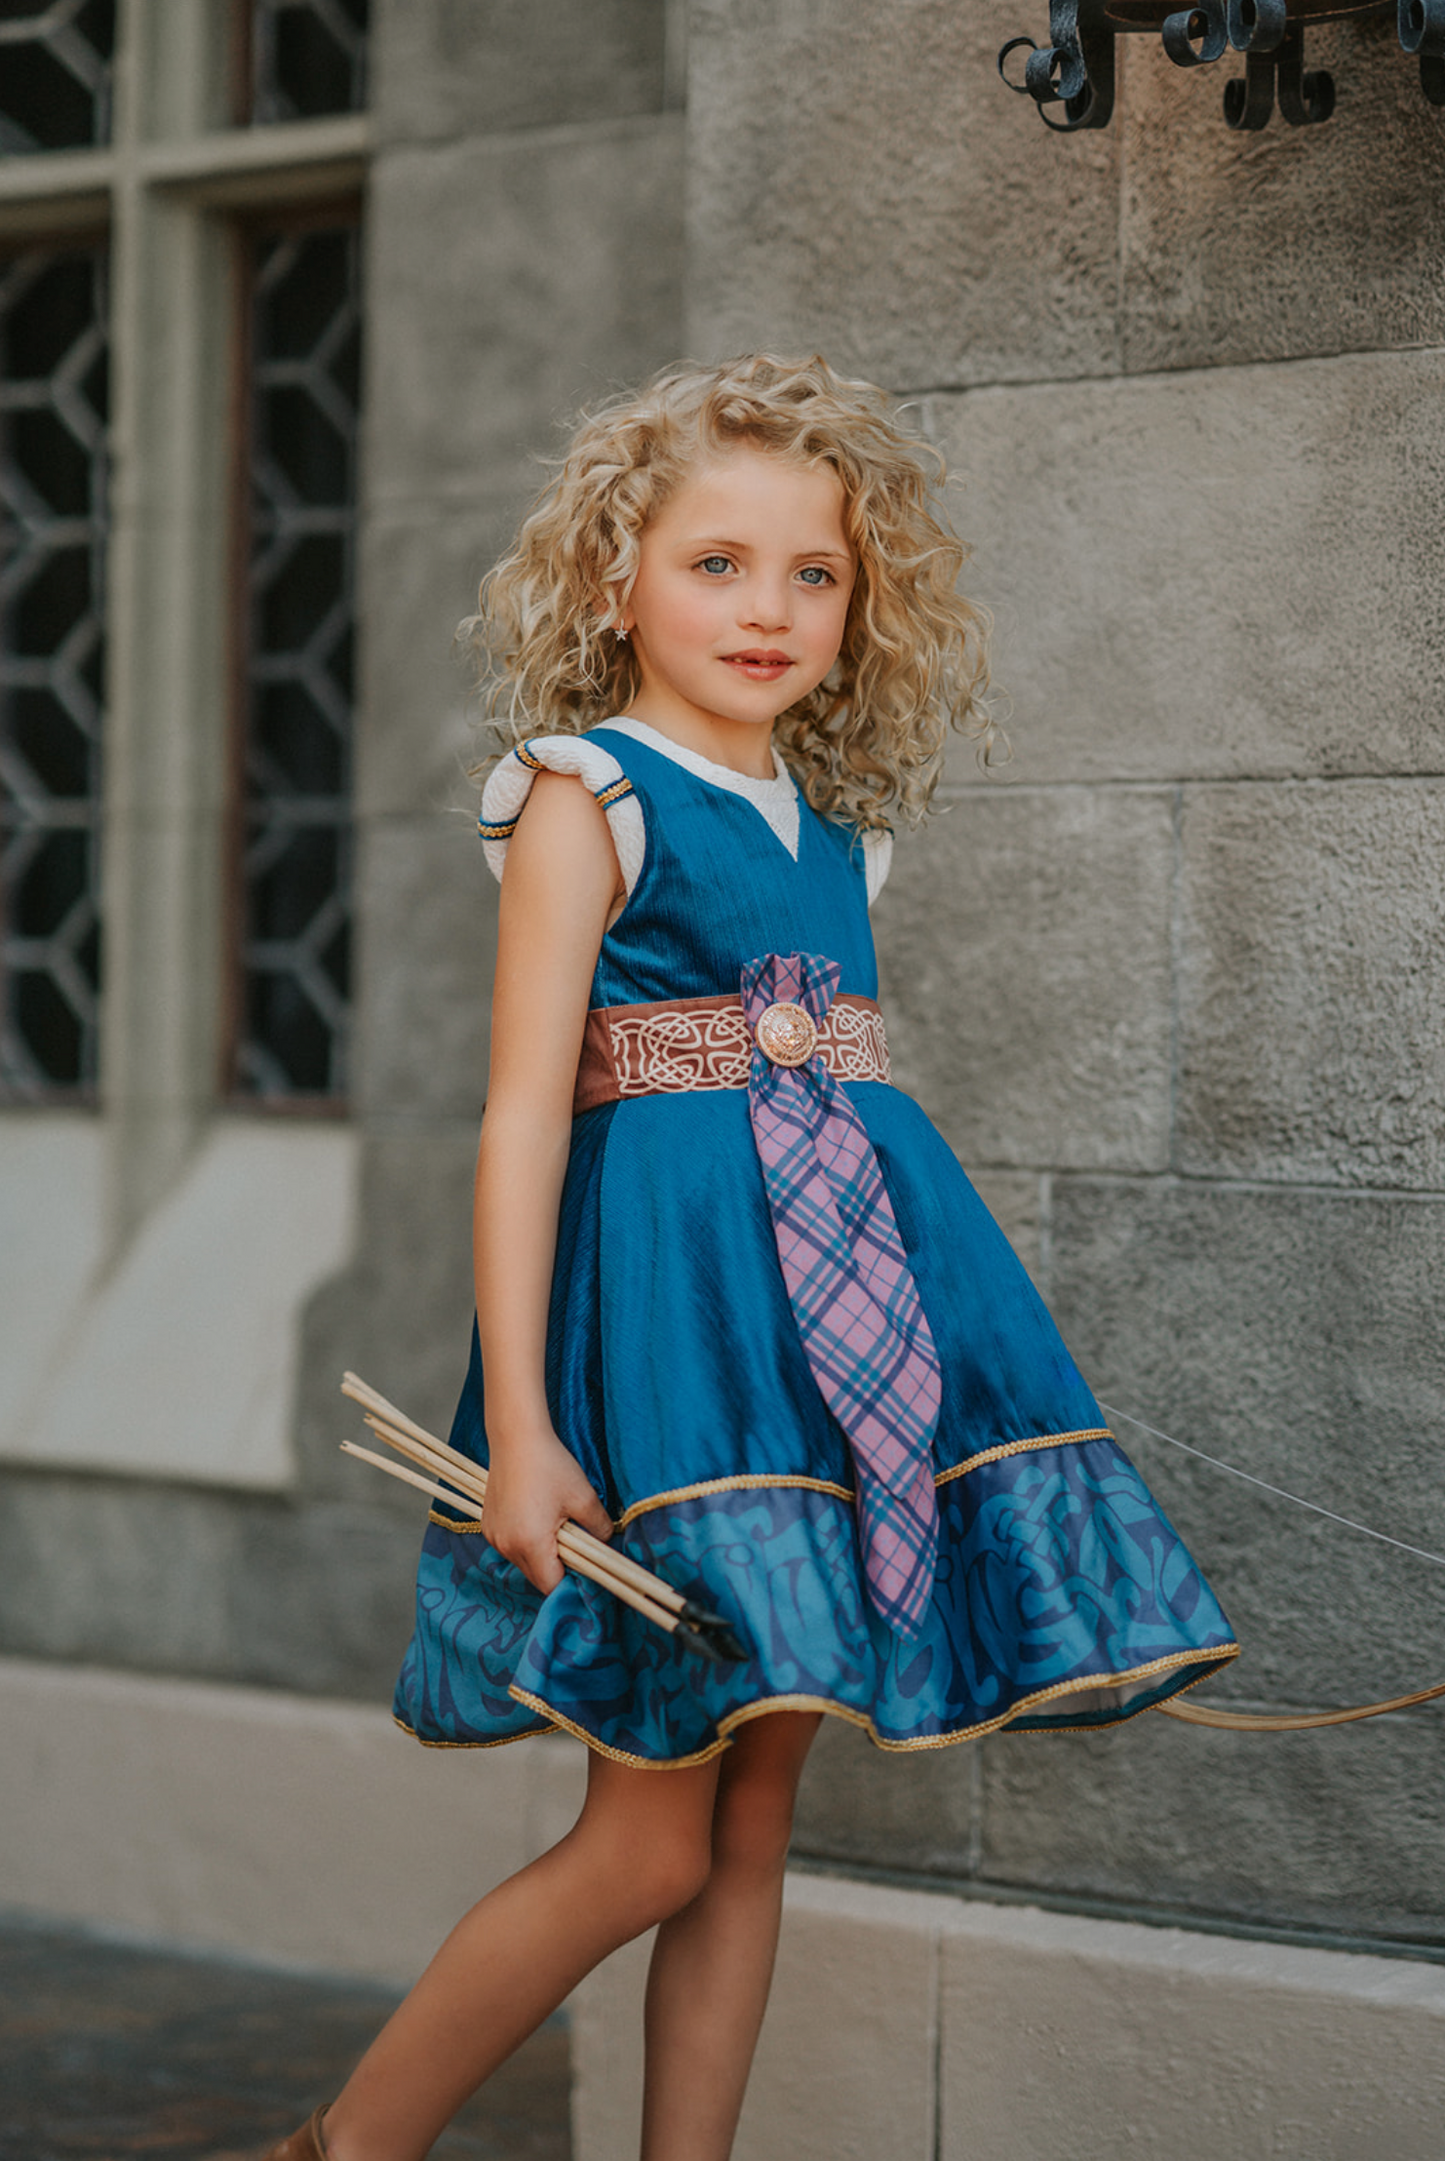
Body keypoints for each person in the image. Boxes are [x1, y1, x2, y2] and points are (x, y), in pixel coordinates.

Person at [260, 354, 1237, 2161]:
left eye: (816, 573)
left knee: (747, 1828)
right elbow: (527, 1120)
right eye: (716, 563)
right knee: (645, 1838)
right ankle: (343, 2151)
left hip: (837, 1343)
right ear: (611, 577)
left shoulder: (842, 837)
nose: (770, 609)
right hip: (671, 1352)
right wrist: (528, 1430)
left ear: (865, 604)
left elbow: (847, 1135)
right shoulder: (586, 792)